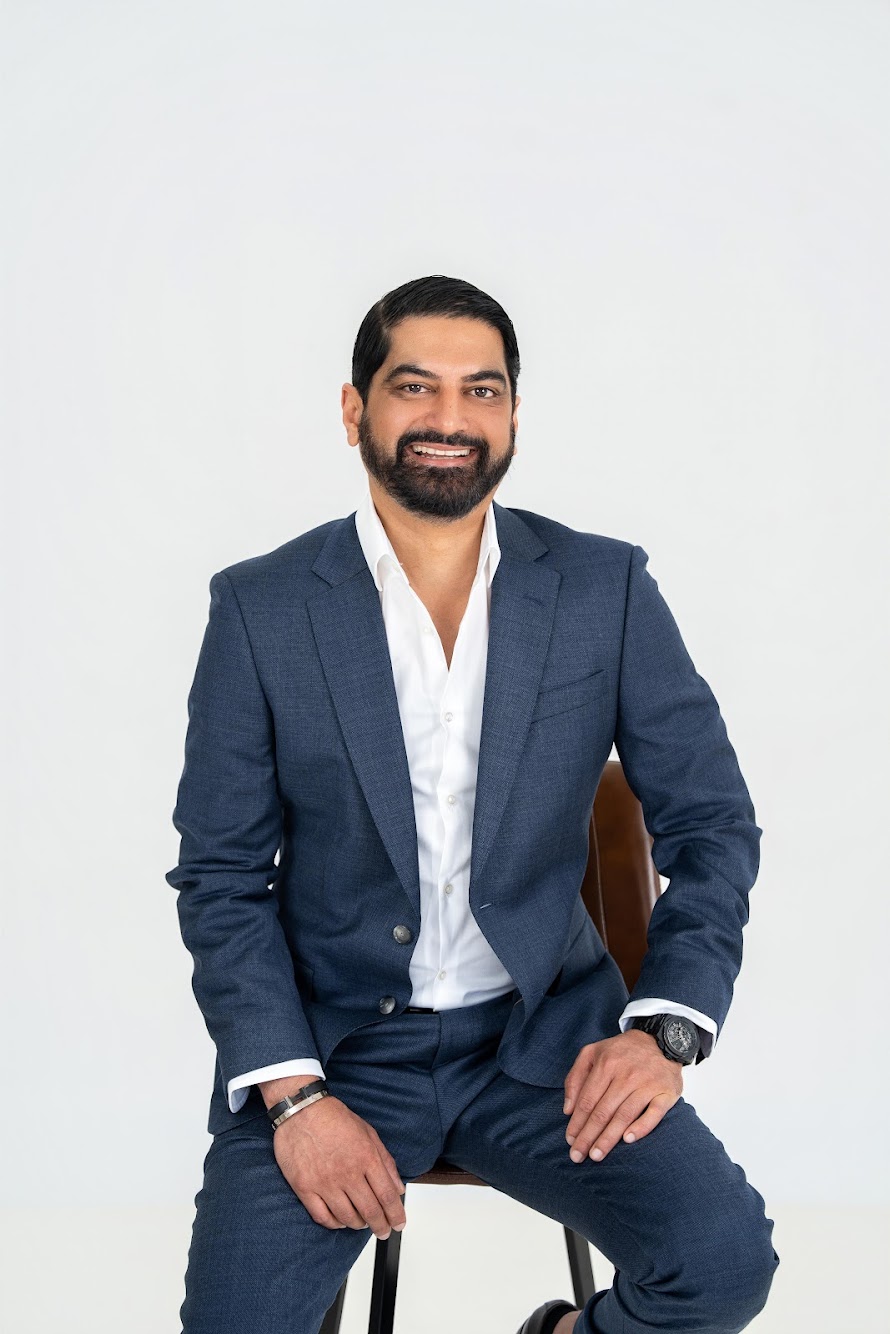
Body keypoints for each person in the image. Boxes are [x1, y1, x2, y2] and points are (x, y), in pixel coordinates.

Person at [165, 274, 779, 1334]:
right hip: (338, 1055)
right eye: (415, 386)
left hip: (546, 1049)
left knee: (720, 1265)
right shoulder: (260, 608)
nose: (449, 417)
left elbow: (711, 823)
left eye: (480, 390)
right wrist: (295, 1099)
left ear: (512, 415)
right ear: (354, 409)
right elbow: (220, 877)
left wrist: (666, 1029)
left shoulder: (603, 587)